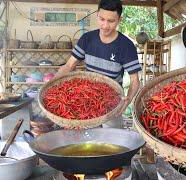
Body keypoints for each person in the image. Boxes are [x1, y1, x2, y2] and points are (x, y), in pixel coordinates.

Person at [56, 0, 141, 128]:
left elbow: (135, 80)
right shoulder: (87, 39)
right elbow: (69, 66)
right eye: (102, 19)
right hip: (86, 100)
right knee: (86, 141)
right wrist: (52, 83)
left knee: (112, 143)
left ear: (119, 20)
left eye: (111, 21)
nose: (105, 25)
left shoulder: (126, 46)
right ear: (97, 16)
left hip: (112, 103)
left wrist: (128, 99)